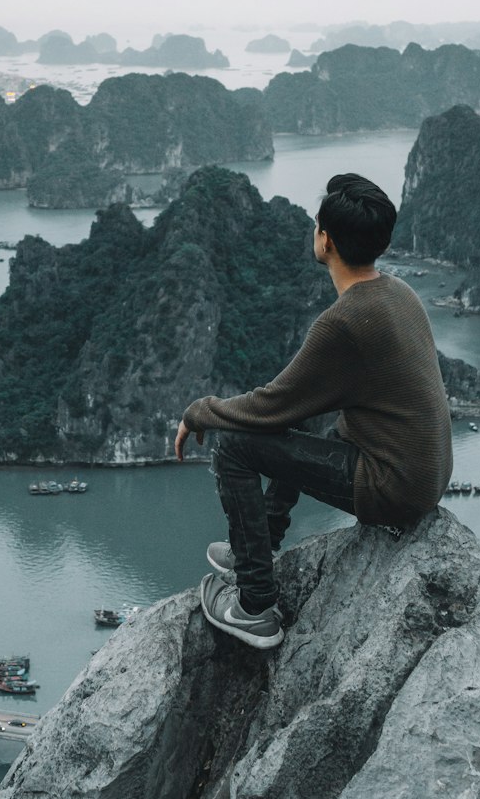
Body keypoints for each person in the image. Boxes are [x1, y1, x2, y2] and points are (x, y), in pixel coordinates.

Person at [175, 173, 453, 650]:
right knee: (302, 412)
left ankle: (255, 604)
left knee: (234, 447)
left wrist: (201, 411)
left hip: (391, 487)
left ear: (325, 239)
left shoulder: (343, 323)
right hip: (421, 473)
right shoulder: (399, 291)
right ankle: (257, 547)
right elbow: (295, 403)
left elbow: (271, 405)